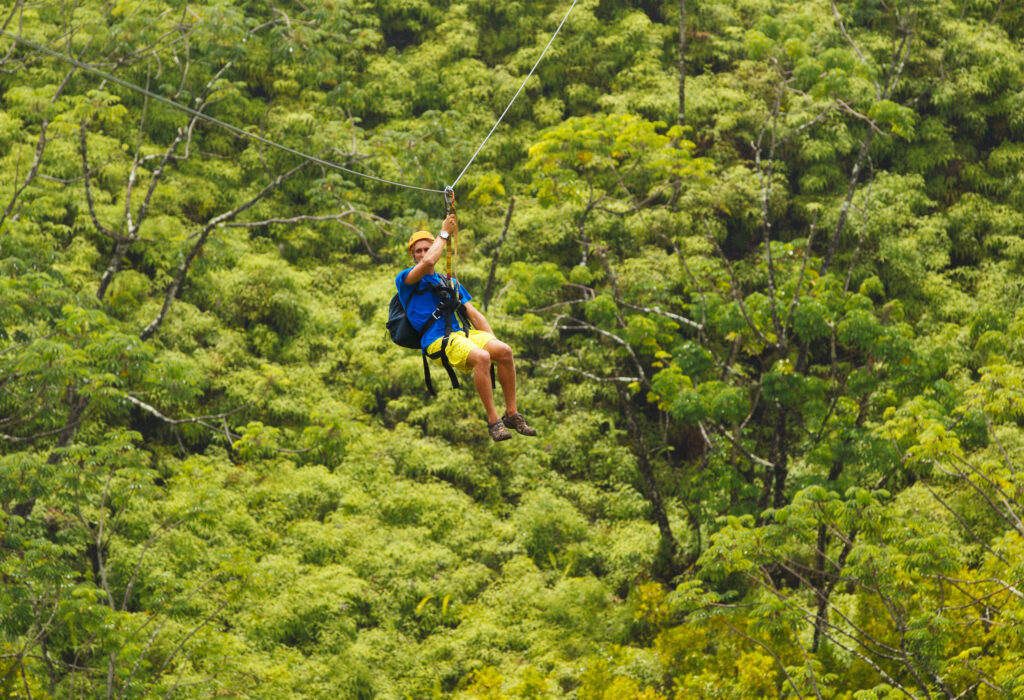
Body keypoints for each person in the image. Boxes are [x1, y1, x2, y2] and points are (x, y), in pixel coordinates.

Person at [396, 213, 537, 442]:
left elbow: (473, 314)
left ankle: (512, 413)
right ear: (412, 256)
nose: (422, 254)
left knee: (504, 351)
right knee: (481, 357)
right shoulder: (406, 280)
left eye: (425, 249)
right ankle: (493, 421)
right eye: (417, 251)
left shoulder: (449, 282)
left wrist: (494, 344)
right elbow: (428, 263)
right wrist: (444, 233)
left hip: (462, 334)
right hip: (437, 340)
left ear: (434, 248)